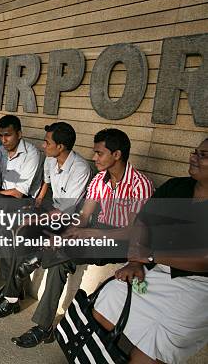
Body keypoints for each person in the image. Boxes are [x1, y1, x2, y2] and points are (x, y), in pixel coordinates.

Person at [10, 128, 154, 349]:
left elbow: (134, 232)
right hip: (98, 232)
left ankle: (39, 258)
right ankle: (44, 327)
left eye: (99, 153)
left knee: (61, 251)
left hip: (124, 241)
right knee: (59, 250)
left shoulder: (139, 184)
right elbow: (84, 217)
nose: (94, 158)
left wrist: (92, 234)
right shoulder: (99, 180)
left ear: (116, 155)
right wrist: (71, 233)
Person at [92, 138, 208, 364]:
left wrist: (150, 256)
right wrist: (136, 262)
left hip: (199, 286)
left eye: (203, 155)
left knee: (151, 352)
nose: (193, 157)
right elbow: (142, 221)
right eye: (195, 151)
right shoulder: (176, 187)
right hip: (155, 271)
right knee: (109, 297)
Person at [0, 122, 91, 317]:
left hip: (69, 219)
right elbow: (46, 184)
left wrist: (34, 220)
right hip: (52, 209)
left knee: (24, 232)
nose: (43, 146)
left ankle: (11, 299)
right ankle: (10, 287)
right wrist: (36, 204)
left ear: (60, 146)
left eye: (47, 142)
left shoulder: (80, 168)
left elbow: (67, 210)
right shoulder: (51, 159)